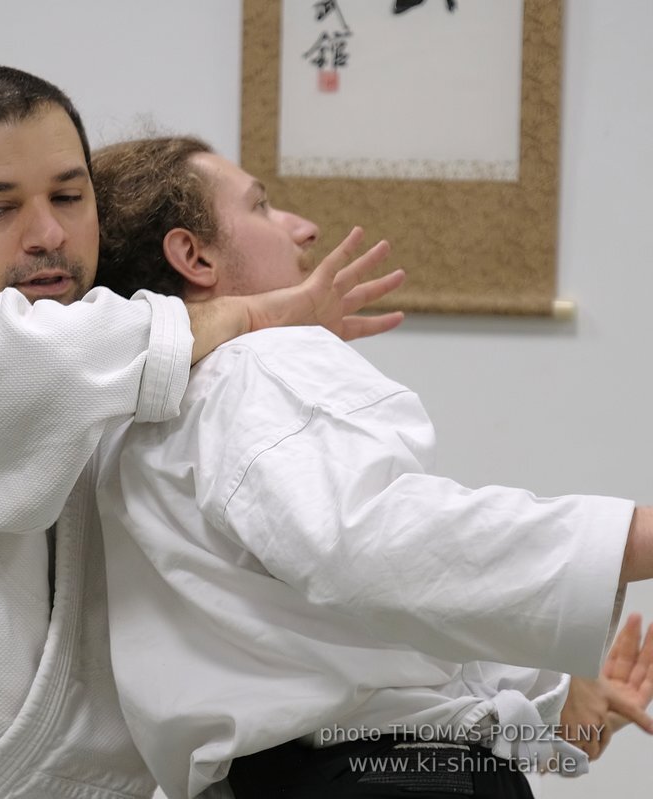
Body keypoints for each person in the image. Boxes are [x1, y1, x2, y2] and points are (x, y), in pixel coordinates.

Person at [0, 66, 405, 799]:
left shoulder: (148, 366)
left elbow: (329, 560)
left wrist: (536, 681)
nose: (47, 234)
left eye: (70, 197)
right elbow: (32, 364)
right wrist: (256, 312)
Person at [89, 135, 653, 799]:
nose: (304, 226)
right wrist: (635, 538)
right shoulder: (255, 365)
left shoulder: (135, 422)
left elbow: (355, 632)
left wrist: (561, 711)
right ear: (195, 254)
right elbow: (371, 542)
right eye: (264, 207)